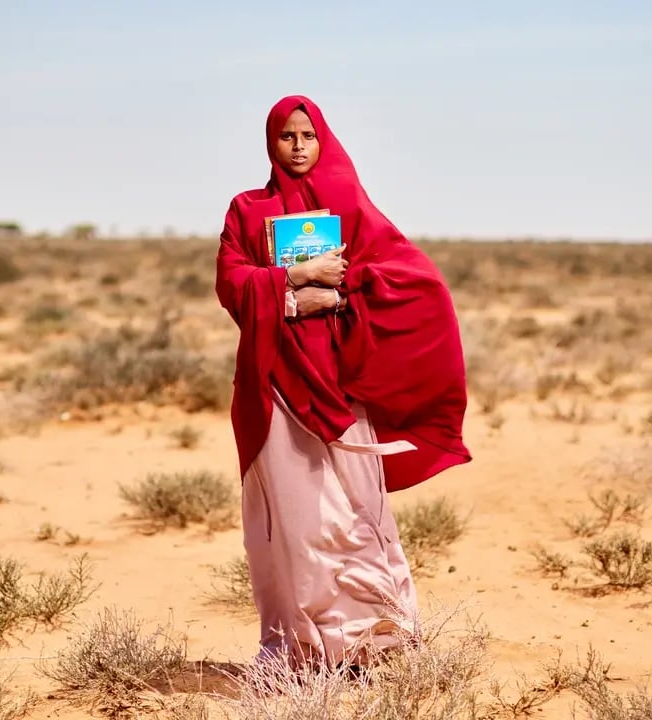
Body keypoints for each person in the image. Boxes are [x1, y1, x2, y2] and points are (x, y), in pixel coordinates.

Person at [214, 95, 471, 671]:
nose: (299, 147)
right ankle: (305, 650)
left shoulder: (350, 207)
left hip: (340, 384)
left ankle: (376, 643)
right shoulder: (247, 209)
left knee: (358, 510)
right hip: (275, 384)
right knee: (300, 517)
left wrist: (338, 289)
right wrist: (298, 277)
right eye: (288, 137)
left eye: (308, 136)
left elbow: (410, 278)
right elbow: (232, 283)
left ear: (322, 140)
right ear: (271, 143)